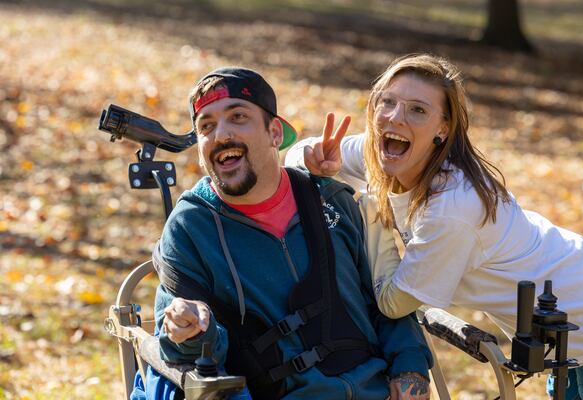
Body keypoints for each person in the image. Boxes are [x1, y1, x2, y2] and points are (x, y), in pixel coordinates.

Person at [286, 53, 583, 399]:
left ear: (443, 128)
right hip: (559, 330)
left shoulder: (453, 207)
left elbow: (394, 303)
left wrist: (373, 213)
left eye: (417, 109)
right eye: (386, 102)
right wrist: (313, 156)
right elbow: (296, 157)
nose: (395, 116)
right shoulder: (384, 152)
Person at [132, 66, 434, 400]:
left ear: (275, 133)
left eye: (238, 117)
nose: (220, 135)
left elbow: (385, 303)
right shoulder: (190, 228)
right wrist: (188, 332)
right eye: (206, 126)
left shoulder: (332, 201)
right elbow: (185, 358)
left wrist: (410, 369)